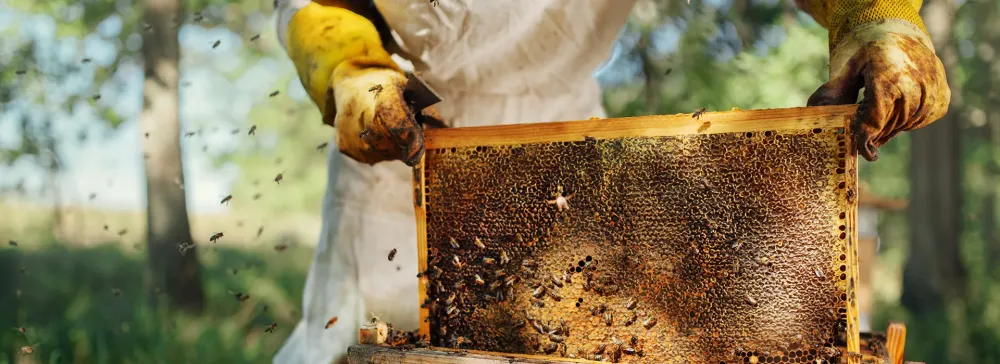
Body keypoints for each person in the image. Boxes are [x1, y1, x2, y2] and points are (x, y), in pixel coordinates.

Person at [271, 1, 950, 363]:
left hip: (568, 146)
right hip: (407, 143)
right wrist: (349, 65)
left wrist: (875, 18)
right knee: (361, 342)